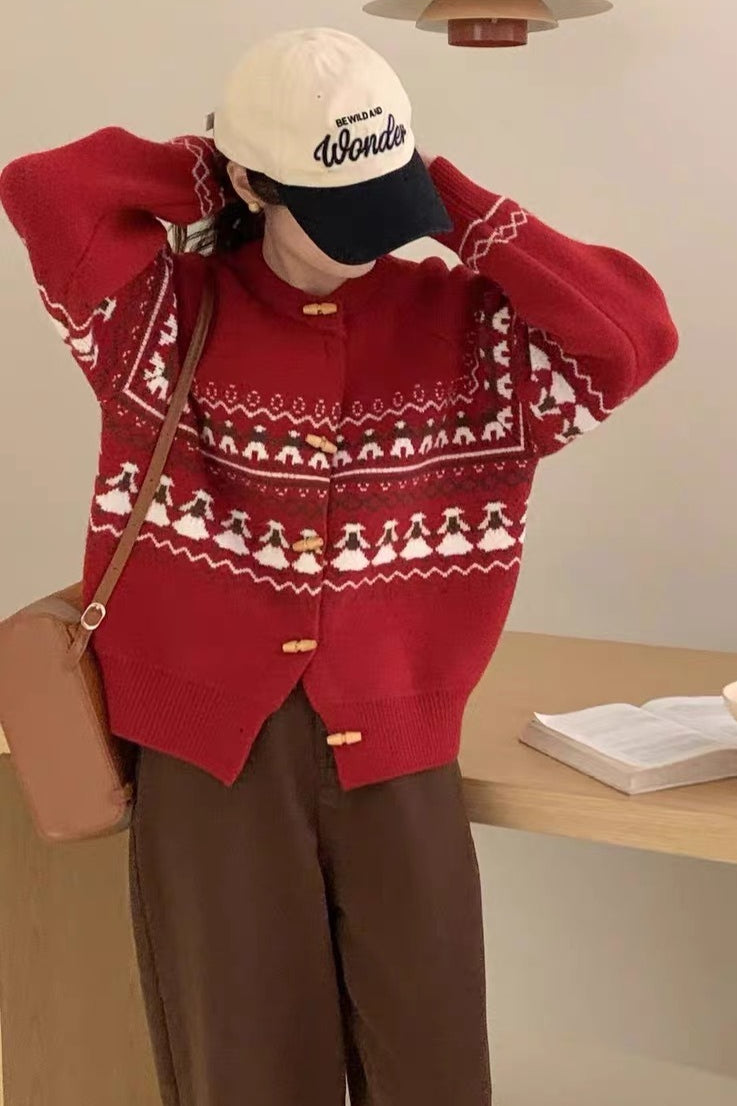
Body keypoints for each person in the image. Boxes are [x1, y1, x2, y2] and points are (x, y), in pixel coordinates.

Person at [0, 25, 678, 1106]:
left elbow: (631, 333)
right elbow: (44, 189)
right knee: (247, 1074)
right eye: (338, 205)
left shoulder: (467, 330)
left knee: (433, 1071)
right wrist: (224, 161)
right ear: (253, 185)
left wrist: (441, 196)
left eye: (385, 201)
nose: (371, 236)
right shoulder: (158, 319)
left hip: (400, 754)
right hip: (211, 766)